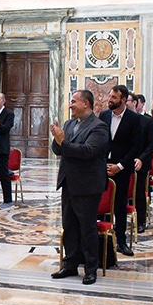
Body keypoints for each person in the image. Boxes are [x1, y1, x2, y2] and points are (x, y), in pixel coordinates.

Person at [50, 90, 111, 285]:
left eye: (74, 102)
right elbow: (58, 149)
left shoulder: (99, 127)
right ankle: (70, 265)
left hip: (87, 186)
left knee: (87, 229)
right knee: (69, 227)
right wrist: (58, 141)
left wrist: (63, 141)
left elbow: (87, 152)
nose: (70, 105)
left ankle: (91, 269)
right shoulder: (68, 124)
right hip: (68, 183)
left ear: (86, 103)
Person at [98, 85, 142, 257]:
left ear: (124, 100)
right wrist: (103, 165)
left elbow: (135, 147)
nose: (110, 100)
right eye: (110, 96)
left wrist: (120, 166)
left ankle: (121, 241)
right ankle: (102, 240)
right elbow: (100, 141)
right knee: (102, 204)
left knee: (120, 205)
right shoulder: (104, 115)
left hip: (122, 168)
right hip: (103, 167)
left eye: (114, 97)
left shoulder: (134, 119)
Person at [131, 94, 153, 233]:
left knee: (139, 192)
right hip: (125, 162)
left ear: (135, 103)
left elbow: (151, 143)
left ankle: (141, 221)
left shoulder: (147, 121)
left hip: (141, 162)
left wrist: (141, 158)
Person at [0, 92, 15, 208]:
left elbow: (5, 129)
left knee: (3, 173)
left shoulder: (8, 114)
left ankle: (8, 200)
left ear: (3, 101)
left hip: (1, 148)